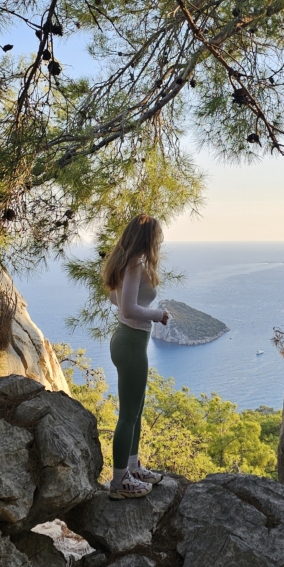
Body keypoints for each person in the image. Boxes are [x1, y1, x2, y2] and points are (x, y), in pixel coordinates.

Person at [102, 213, 169, 499]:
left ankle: (132, 468)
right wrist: (158, 315)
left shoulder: (127, 262)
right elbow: (127, 309)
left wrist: (134, 303)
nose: (159, 241)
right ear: (148, 238)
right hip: (130, 343)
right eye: (157, 236)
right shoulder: (135, 264)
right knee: (128, 415)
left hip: (129, 341)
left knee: (136, 411)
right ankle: (119, 483)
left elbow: (115, 299)